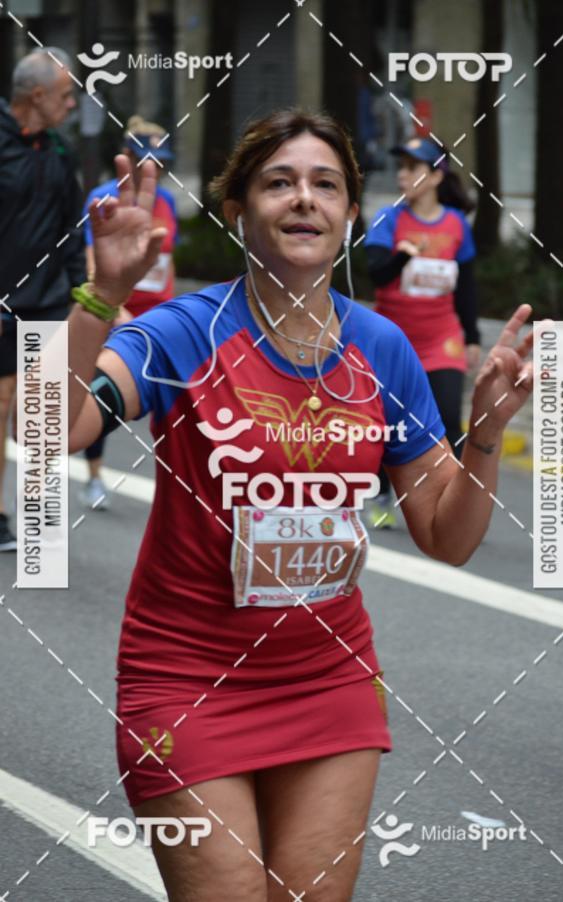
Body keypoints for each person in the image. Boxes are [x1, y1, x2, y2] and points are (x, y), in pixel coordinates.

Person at [67, 109, 533, 901]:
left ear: (350, 213)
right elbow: (52, 428)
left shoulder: (381, 349)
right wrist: (101, 295)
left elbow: (446, 538)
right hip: (186, 680)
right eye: (278, 183)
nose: (304, 199)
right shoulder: (185, 331)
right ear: (239, 211)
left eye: (326, 184)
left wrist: (484, 433)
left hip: (328, 680)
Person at [364, 136, 481, 528]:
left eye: (412, 168)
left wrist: (472, 337)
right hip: (393, 341)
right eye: (401, 167)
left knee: (448, 420)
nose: (403, 175)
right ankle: (383, 493)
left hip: (442, 338)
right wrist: (403, 256)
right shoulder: (387, 219)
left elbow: (466, 286)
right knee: (388, 424)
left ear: (434, 176)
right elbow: (376, 275)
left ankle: (457, 506)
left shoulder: (455, 224)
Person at [0, 47, 84, 550]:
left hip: (49, 300)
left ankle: (37, 516)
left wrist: (86, 295)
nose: (71, 104)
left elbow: (72, 231)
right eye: (65, 94)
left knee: (43, 413)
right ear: (37, 95)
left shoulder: (60, 151)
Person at [79, 115, 177, 510]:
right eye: (145, 161)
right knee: (101, 392)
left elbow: (167, 259)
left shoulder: (166, 201)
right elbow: (94, 263)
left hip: (158, 316)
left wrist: (173, 310)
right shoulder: (103, 198)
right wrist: (116, 311)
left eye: (161, 162)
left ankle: (176, 486)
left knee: (171, 403)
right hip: (119, 314)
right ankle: (94, 477)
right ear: (126, 156)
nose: (154, 169)